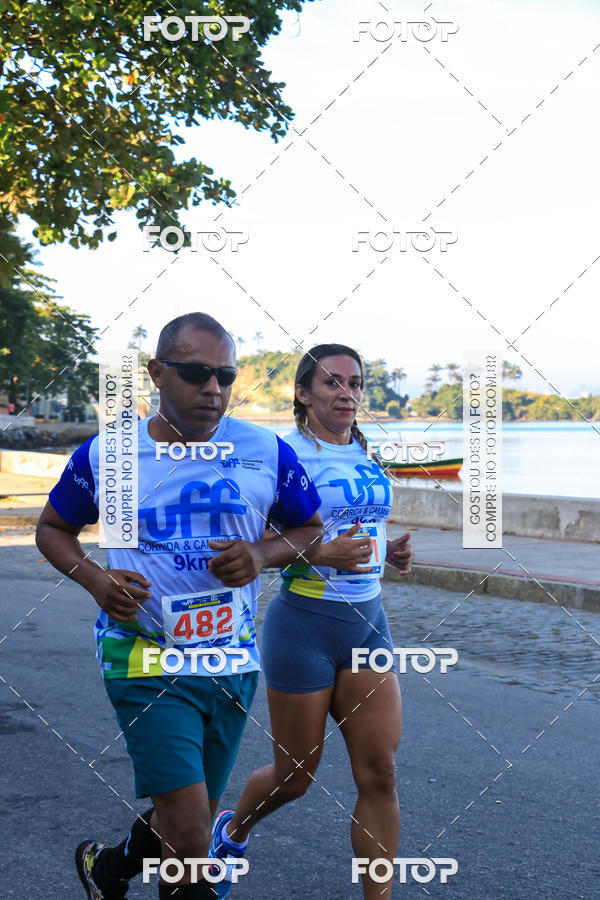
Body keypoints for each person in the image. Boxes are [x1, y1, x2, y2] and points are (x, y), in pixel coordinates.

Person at [35, 313, 323, 900]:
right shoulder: (111, 454)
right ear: (157, 374)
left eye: (225, 376)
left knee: (183, 816)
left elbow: (310, 530)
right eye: (196, 375)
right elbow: (52, 529)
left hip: (229, 662)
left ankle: (111, 867)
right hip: (144, 657)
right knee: (193, 846)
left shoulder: (263, 449)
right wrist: (96, 580)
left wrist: (263, 554)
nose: (213, 390)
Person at [208, 344, 413, 899]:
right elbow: (256, 548)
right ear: (303, 393)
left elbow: (357, 523)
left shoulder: (365, 452)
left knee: (380, 773)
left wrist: (385, 548)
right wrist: (321, 555)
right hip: (303, 626)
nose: (347, 393)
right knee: (296, 778)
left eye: (355, 384)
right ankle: (231, 831)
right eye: (332, 383)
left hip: (367, 622)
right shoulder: (282, 457)